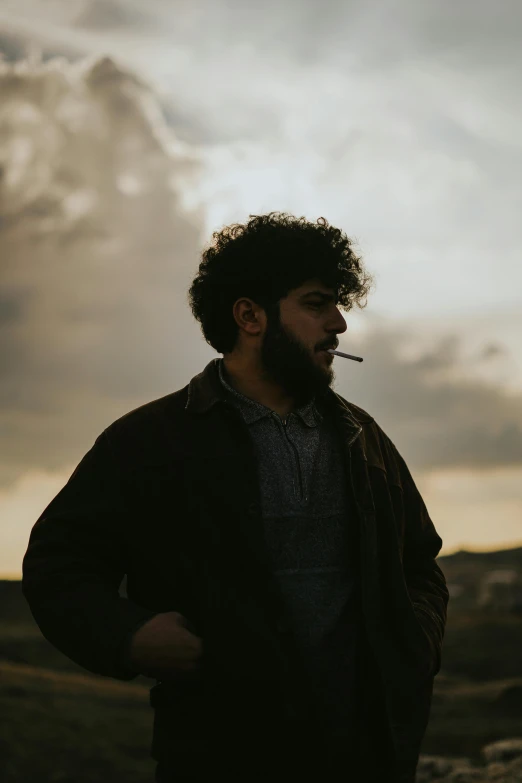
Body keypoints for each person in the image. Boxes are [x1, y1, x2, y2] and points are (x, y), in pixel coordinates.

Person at [22, 212, 449, 783]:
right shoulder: (152, 440)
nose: (340, 323)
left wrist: (415, 647)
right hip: (219, 754)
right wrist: (128, 636)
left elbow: (419, 562)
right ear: (249, 315)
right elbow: (57, 565)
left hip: (365, 753)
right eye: (317, 303)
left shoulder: (362, 438)